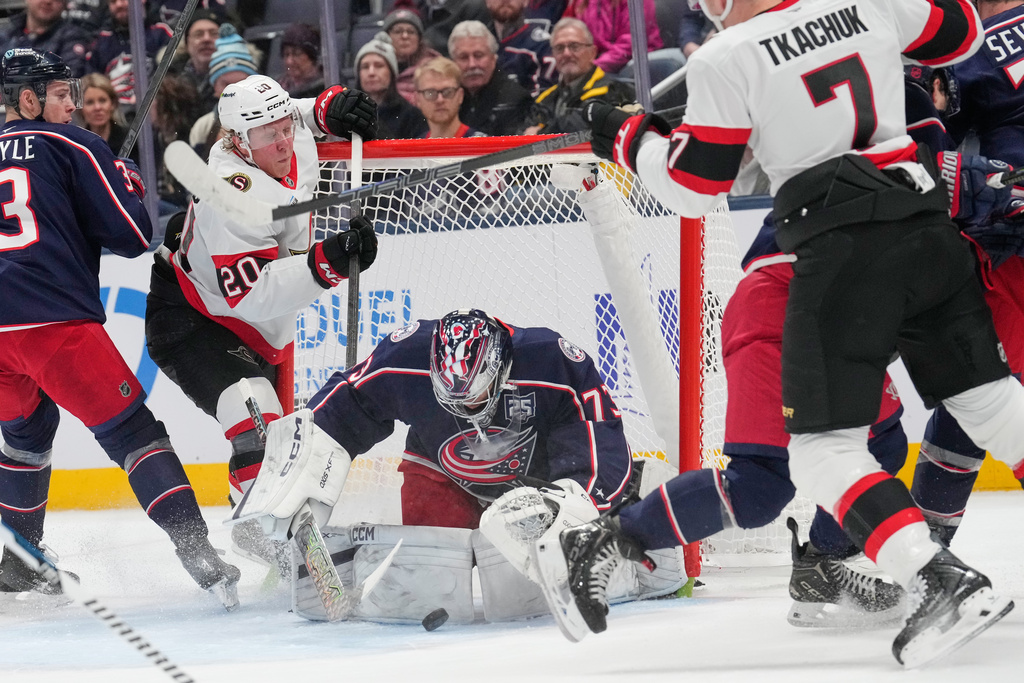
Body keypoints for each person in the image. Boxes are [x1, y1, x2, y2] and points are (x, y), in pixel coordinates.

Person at [535, 0, 1024, 667]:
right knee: (949, 415)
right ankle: (614, 543)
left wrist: (629, 135)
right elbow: (961, 30)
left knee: (851, 444)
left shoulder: (727, 57)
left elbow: (694, 183)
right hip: (876, 256)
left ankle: (885, 569)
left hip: (844, 258)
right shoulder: (872, 14)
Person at [230, 308, 686, 623]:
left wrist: (568, 500)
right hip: (442, 472)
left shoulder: (553, 362)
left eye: (474, 398)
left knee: (533, 589)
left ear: (501, 369)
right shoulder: (404, 356)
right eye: (452, 399)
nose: (467, 412)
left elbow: (599, 439)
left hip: (537, 484)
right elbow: (343, 405)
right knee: (427, 582)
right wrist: (301, 465)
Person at [0, 48, 240, 606]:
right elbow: (134, 235)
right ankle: (197, 552)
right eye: (60, 94)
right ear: (29, 99)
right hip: (52, 322)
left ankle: (17, 558)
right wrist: (126, 182)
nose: (71, 104)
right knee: (134, 434)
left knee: (26, 436)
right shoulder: (74, 145)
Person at [144, 73, 379, 572]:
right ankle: (265, 531)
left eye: (283, 126)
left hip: (256, 324)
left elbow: (293, 112)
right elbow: (250, 295)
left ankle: (258, 518)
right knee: (258, 425)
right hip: (194, 319)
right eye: (266, 133)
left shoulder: (274, 131)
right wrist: (327, 261)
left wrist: (327, 108)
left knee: (282, 435)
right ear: (235, 142)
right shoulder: (233, 193)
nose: (281, 139)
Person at [908, 0, 1024, 544]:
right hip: (1004, 248)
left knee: (980, 391)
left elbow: (928, 145)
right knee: (978, 391)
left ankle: (920, 555)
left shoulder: (973, 44)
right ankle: (922, 557)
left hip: (1005, 247)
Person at [523, 18, 634, 135]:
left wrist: (542, 132)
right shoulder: (545, 99)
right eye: (559, 48)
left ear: (592, 52)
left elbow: (584, 130)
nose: (566, 53)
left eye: (574, 46)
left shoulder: (612, 91)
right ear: (553, 55)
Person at [188, 24, 261, 160]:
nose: (234, 91)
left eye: (241, 83)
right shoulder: (202, 128)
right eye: (226, 85)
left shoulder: (272, 122)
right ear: (215, 88)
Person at [86, 0, 173, 112]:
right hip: (113, 113)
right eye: (113, 1)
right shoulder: (102, 41)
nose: (118, 5)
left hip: (153, 110)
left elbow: (172, 76)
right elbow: (90, 82)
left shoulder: (161, 33)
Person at [449, 20, 533, 136]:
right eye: (463, 57)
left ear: (493, 59)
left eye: (479, 56)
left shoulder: (516, 99)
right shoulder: (445, 98)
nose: (472, 64)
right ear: (452, 62)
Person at [355, 33, 428, 140]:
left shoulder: (411, 115)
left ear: (392, 73)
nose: (371, 72)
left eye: (379, 66)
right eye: (365, 67)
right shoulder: (347, 114)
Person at [561, 0, 662, 74]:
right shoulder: (581, 2)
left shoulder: (636, 2)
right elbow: (567, 33)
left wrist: (594, 66)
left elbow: (631, 42)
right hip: (596, 59)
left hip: (634, 58)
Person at [0, 0, 92, 77]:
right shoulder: (5, 35)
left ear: (65, 4)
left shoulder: (73, 37)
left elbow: (69, 78)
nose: (48, 1)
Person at [485, 0, 555, 96]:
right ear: (487, 2)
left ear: (526, 1)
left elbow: (542, 103)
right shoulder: (476, 43)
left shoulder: (542, 45)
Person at [166, 8, 223, 114]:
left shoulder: (240, 77)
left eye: (214, 34)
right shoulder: (169, 79)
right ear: (187, 44)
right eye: (198, 34)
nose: (206, 39)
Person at [414, 56, 480, 139]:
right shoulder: (416, 148)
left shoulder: (483, 145)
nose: (440, 100)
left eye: (448, 92)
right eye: (430, 93)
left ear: (460, 96)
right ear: (417, 99)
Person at [385, 8, 441, 106]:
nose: (405, 36)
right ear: (387, 37)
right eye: (398, 31)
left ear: (419, 39)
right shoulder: (376, 66)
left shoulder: (435, 67)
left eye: (411, 32)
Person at [76, 72, 134, 159]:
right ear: (80, 109)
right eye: (90, 102)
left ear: (113, 104)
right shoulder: (76, 146)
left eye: (102, 100)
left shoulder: (130, 140)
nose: (97, 107)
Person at [276, 23, 324, 99]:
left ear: (312, 56)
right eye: (286, 54)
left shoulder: (329, 84)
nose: (289, 61)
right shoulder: (277, 89)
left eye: (296, 54)